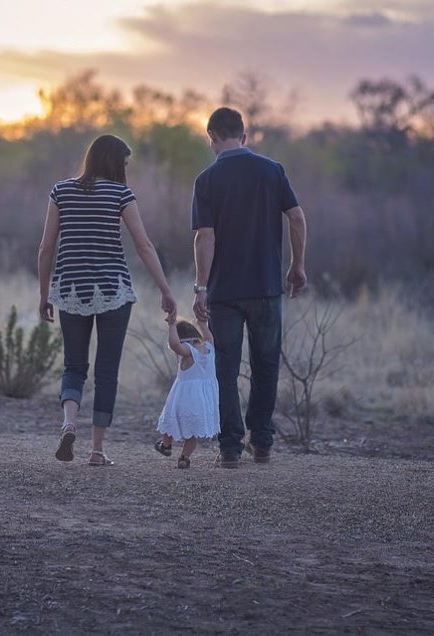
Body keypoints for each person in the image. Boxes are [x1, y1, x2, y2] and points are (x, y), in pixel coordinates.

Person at [38, 134, 176, 466]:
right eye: (125, 163)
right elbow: (143, 246)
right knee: (107, 371)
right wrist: (165, 289)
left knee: (74, 365)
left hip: (70, 290)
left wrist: (44, 294)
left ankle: (69, 422)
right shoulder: (120, 194)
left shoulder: (61, 191)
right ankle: (97, 450)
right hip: (113, 291)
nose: (127, 170)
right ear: (115, 162)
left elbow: (46, 248)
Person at [191, 107, 308, 468]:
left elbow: (204, 238)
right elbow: (297, 217)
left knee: (225, 369)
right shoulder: (272, 171)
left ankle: (229, 448)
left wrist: (200, 287)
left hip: (225, 292)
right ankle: (262, 443)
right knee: (266, 365)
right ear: (244, 136)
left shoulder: (207, 180)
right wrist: (297, 264)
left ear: (211, 136)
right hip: (267, 287)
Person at [153, 317, 220, 469]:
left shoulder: (188, 352)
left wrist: (171, 326)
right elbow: (208, 335)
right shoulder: (210, 346)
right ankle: (184, 458)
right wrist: (202, 323)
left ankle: (166, 445)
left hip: (184, 398)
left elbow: (174, 344)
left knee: (170, 421)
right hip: (203, 401)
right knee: (193, 432)